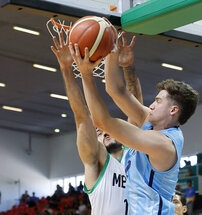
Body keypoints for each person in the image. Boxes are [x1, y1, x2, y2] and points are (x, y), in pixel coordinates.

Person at [71, 31, 199, 214]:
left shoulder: (162, 145)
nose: (152, 105)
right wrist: (116, 57)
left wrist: (86, 74)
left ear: (173, 111)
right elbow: (116, 90)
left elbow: (102, 121)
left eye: (158, 101)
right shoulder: (152, 123)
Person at [50, 30, 141, 214]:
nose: (105, 133)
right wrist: (67, 69)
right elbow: (82, 119)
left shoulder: (133, 155)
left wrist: (127, 66)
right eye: (98, 133)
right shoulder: (95, 163)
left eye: (106, 130)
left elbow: (136, 106)